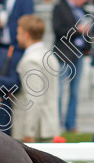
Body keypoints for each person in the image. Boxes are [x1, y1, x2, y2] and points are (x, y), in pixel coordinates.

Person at [12, 14, 59, 142]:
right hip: (46, 125)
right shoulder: (49, 55)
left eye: (19, 33)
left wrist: (29, 131)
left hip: (35, 130)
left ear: (26, 35)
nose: (17, 37)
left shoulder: (30, 60)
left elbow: (34, 98)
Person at [53, 0, 90, 133]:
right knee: (60, 92)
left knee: (74, 92)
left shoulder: (83, 10)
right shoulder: (60, 8)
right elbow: (58, 30)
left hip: (78, 55)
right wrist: (77, 30)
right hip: (64, 55)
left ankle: (70, 123)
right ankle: (56, 123)